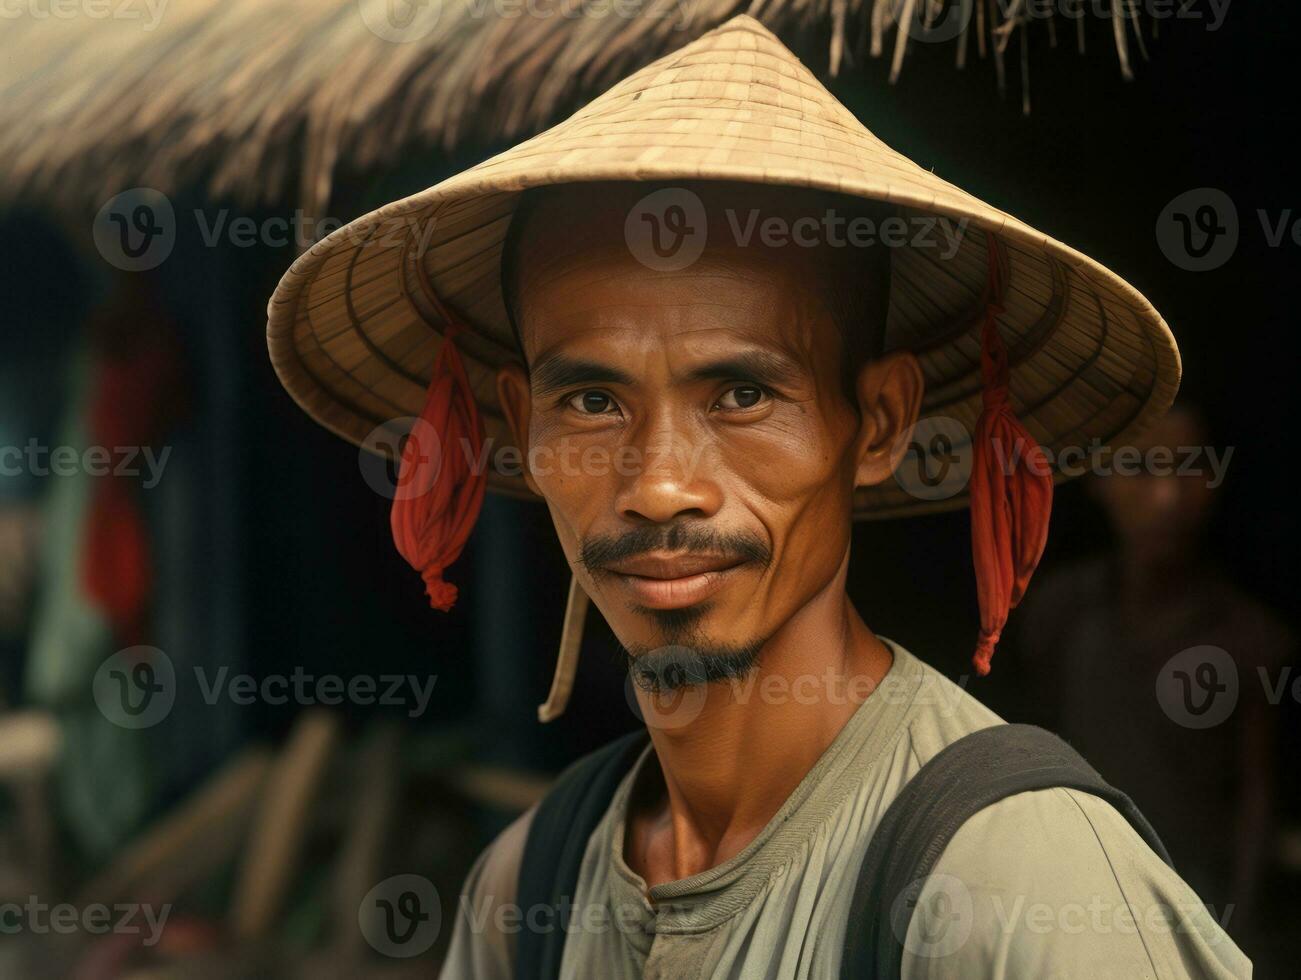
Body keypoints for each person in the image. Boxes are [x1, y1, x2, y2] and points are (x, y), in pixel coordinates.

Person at [266, 16, 1248, 977]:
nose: (656, 485)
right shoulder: (528, 891)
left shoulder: (1006, 883)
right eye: (592, 399)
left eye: (740, 393)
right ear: (522, 422)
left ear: (875, 423)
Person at [1015, 403, 1293, 945]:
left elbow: (1258, 806)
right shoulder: (1057, 611)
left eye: (1187, 467)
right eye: (1140, 467)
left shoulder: (1251, 639)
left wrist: (1235, 939)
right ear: (1098, 478)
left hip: (1192, 920)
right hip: (1066, 907)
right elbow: (1027, 753)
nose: (1166, 497)